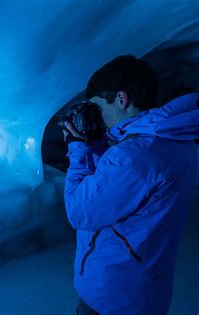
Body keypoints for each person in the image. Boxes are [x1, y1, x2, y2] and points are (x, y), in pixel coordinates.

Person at [62, 55, 198, 314]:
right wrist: (101, 148)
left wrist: (78, 150)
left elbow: (80, 212)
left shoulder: (132, 156)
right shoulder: (176, 139)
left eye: (98, 108)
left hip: (111, 294)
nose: (98, 118)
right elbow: (131, 191)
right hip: (145, 289)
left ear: (121, 99)